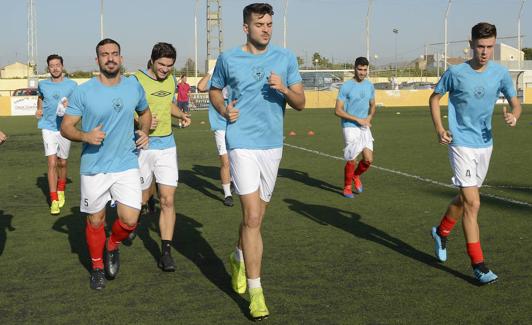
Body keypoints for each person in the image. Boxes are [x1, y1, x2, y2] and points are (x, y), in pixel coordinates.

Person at [209, 3, 305, 320]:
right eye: (259, 23)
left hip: (271, 145)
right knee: (251, 216)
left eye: (269, 24)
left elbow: (301, 102)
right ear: (245, 27)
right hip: (241, 143)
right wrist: (224, 111)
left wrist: (284, 90)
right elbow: (214, 91)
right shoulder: (228, 58)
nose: (265, 28)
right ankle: (256, 292)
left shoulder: (286, 58)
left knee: (257, 217)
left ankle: (238, 255)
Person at [429, 22, 521, 285]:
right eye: (480, 46)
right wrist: (439, 128)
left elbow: (516, 104)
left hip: (485, 145)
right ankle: (478, 265)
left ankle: (441, 231)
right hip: (460, 144)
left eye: (490, 46)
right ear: (471, 45)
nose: (484, 52)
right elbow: (435, 98)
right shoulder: (455, 73)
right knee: (474, 203)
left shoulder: (501, 74)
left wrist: (514, 116)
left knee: (465, 198)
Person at [61, 38, 152, 290]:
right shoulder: (83, 91)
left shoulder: (133, 87)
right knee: (95, 221)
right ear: (97, 60)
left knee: (130, 220)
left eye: (114, 53)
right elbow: (66, 126)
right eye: (104, 54)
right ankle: (98, 267)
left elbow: (145, 113)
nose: (110, 58)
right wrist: (85, 136)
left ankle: (113, 245)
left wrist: (144, 131)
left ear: (121, 58)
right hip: (94, 166)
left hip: (126, 163)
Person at [133, 42, 191, 271]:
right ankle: (131, 222)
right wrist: (140, 121)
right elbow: (126, 108)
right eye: (161, 64)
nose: (165, 69)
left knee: (167, 199)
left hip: (167, 145)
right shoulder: (136, 80)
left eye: (169, 65)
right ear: (152, 60)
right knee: (141, 199)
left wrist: (181, 115)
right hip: (143, 146)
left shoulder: (171, 80)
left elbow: (168, 104)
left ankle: (166, 251)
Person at [35, 54, 77, 215]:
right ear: (48, 68)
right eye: (51, 65)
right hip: (48, 127)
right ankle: (53, 199)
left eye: (57, 65)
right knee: (52, 162)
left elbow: (78, 104)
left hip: (65, 128)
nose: (55, 68)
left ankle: (61, 188)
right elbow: (40, 97)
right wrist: (39, 109)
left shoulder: (72, 85)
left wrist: (70, 106)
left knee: (62, 163)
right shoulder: (42, 84)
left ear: (62, 66)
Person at [334, 57, 376, 198]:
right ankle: (347, 187)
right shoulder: (346, 86)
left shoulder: (370, 86)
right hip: (349, 126)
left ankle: (356, 175)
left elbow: (373, 105)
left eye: (365, 70)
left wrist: (369, 118)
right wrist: (357, 119)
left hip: (364, 126)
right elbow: (338, 110)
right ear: (354, 68)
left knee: (368, 159)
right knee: (352, 159)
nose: (362, 72)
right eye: (360, 69)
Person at [197, 68, 233, 207]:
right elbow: (200, 87)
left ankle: (235, 184)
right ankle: (227, 194)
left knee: (236, 159)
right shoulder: (214, 82)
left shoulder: (233, 82)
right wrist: (209, 73)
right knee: (225, 161)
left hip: (236, 125)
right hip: (220, 126)